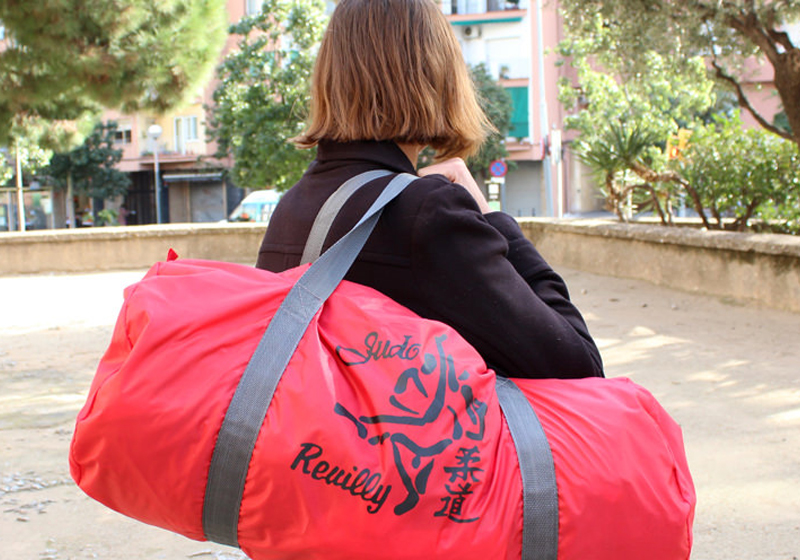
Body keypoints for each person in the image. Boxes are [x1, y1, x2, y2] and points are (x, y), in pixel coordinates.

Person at [255, 0, 603, 379]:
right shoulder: (428, 213)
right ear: (436, 77)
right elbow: (579, 362)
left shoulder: (291, 209)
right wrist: (491, 218)